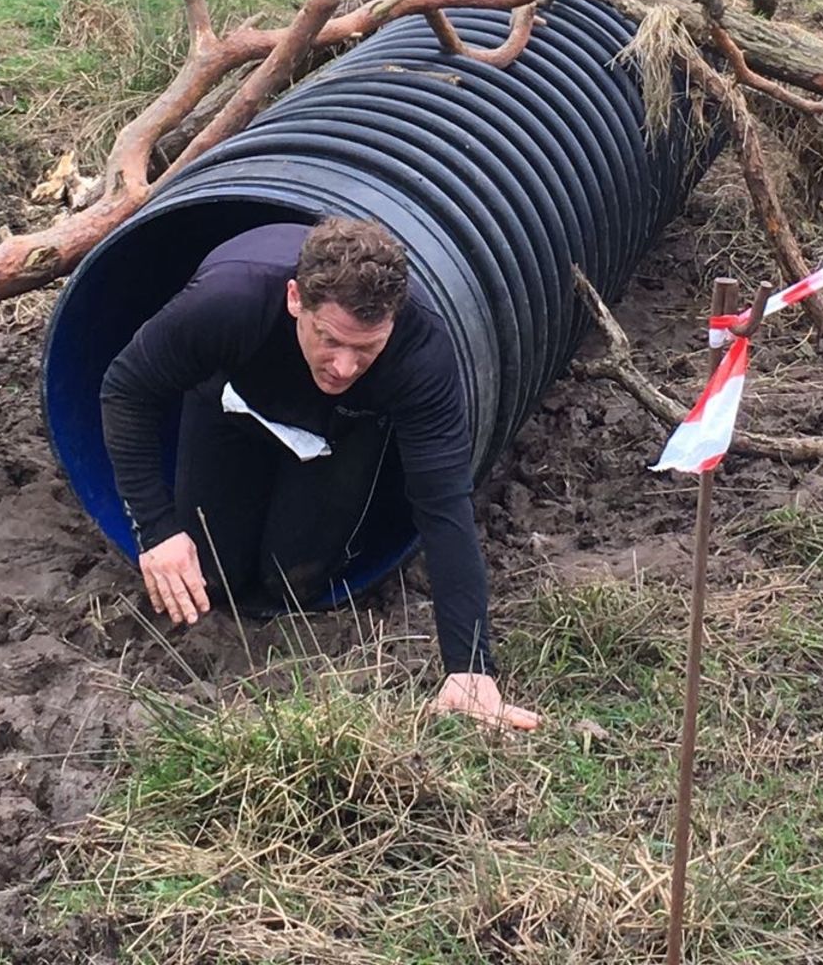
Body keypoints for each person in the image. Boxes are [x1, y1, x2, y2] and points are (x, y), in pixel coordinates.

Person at [99, 216, 540, 732]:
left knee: (291, 581)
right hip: (233, 402)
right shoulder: (231, 301)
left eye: (366, 349)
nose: (345, 367)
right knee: (214, 576)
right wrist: (156, 530)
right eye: (330, 339)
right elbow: (126, 389)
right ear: (295, 300)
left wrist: (470, 670)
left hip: (343, 433)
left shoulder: (421, 354)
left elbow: (443, 505)